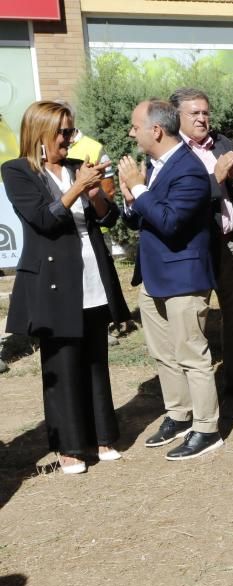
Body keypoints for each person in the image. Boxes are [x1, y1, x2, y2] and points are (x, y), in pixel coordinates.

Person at [1, 101, 130, 474]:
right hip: (53, 281)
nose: (69, 139)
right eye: (62, 132)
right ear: (39, 132)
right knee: (62, 363)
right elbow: (43, 219)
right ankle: (69, 446)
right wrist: (77, 189)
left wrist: (98, 195)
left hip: (92, 273)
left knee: (95, 358)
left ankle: (103, 435)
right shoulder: (17, 171)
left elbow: (108, 219)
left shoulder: (78, 170)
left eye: (72, 131)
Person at [119, 99, 223, 460]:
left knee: (192, 355)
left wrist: (141, 190)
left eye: (135, 126)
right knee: (163, 354)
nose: (131, 133)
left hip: (183, 277)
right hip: (153, 276)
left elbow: (171, 223)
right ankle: (179, 414)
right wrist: (130, 196)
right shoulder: (155, 165)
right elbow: (143, 220)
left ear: (156, 130)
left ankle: (208, 428)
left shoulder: (189, 170)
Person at [171, 87, 233, 398]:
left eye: (205, 112)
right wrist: (217, 177)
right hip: (196, 248)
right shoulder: (172, 152)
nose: (202, 118)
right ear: (177, 117)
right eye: (194, 113)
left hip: (230, 242)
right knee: (195, 318)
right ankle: (196, 390)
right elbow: (182, 202)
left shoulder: (222, 144)